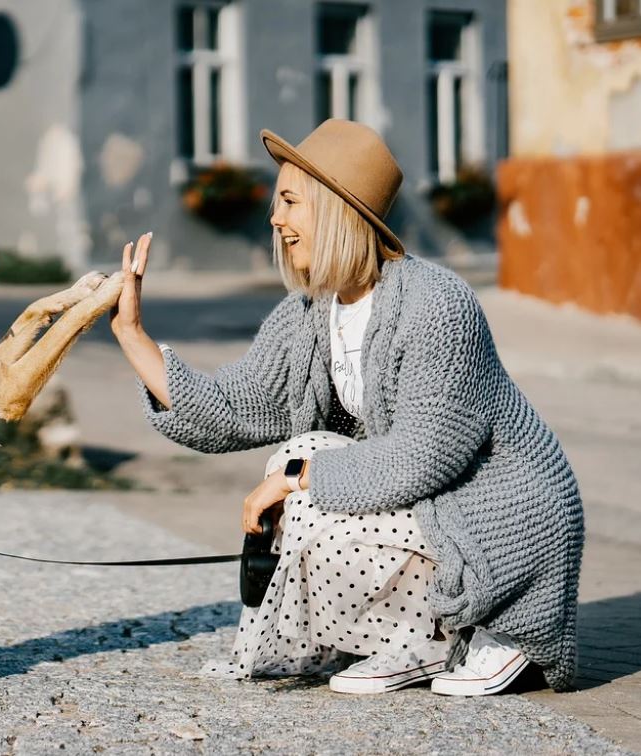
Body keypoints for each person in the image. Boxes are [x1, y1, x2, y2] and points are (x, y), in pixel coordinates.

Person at [108, 120, 583, 696]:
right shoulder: (312, 311)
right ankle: (409, 640)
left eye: (289, 201)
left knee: (303, 481)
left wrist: (295, 481)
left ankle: (473, 631)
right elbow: (236, 406)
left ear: (335, 208)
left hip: (501, 517)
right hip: (432, 507)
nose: (275, 219)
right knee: (299, 454)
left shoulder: (437, 304)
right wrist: (133, 335)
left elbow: (423, 456)